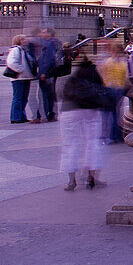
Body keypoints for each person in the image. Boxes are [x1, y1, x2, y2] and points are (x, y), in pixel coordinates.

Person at [59, 58, 108, 190]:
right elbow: (103, 91)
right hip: (91, 110)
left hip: (69, 110)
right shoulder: (94, 78)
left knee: (70, 144)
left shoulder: (72, 80)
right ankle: (90, 178)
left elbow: (62, 93)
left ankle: (71, 181)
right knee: (93, 142)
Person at [35, 27, 64, 123]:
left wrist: (43, 72)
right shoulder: (56, 43)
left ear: (49, 34)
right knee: (51, 94)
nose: (41, 34)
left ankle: (44, 115)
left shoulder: (49, 44)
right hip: (53, 72)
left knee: (44, 95)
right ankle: (52, 114)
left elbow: (47, 59)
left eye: (44, 32)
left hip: (47, 73)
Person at [7, 35, 37, 123]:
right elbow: (11, 62)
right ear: (18, 41)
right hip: (19, 78)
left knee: (24, 98)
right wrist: (21, 69)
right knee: (18, 97)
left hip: (26, 77)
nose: (26, 40)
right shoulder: (16, 50)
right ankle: (15, 117)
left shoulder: (25, 50)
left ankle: (21, 116)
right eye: (23, 39)